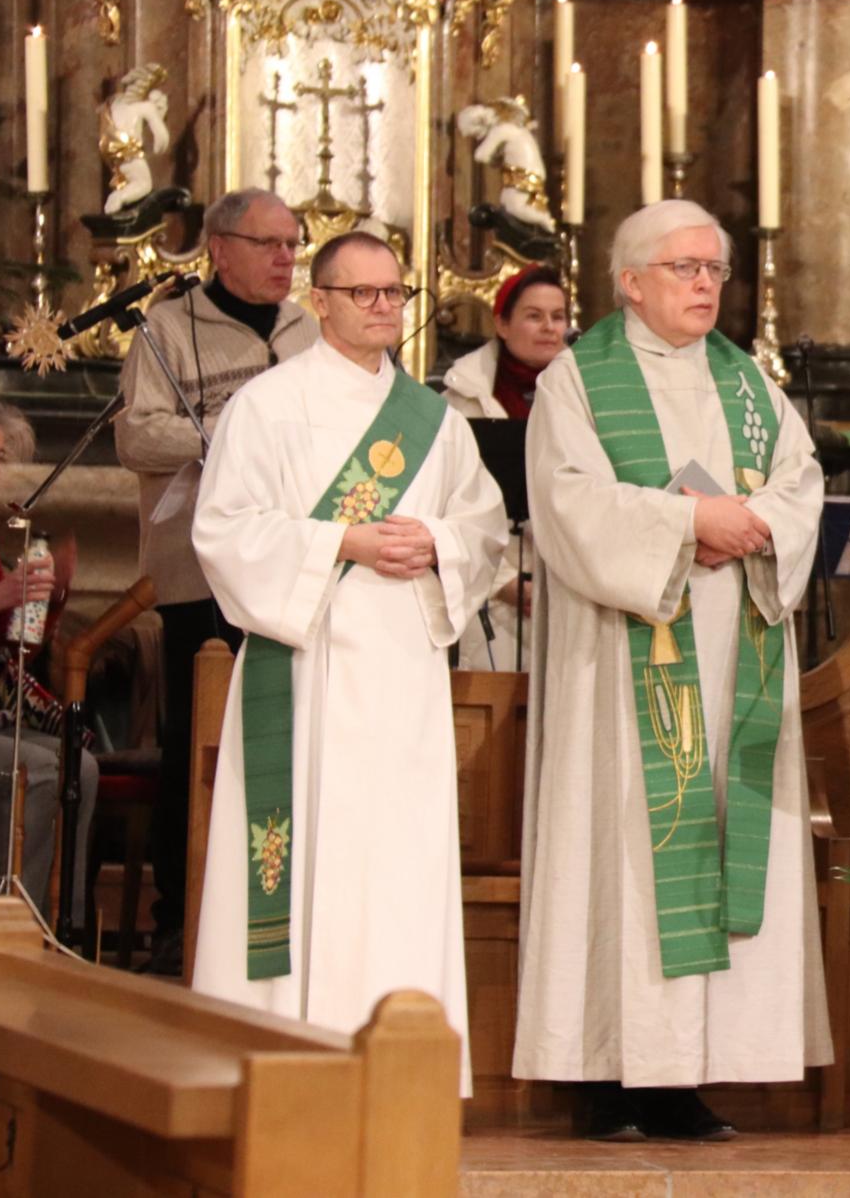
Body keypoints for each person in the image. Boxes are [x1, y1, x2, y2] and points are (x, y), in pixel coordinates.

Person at [514, 200, 830, 1142]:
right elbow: (568, 502)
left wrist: (761, 523)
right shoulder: (578, 379)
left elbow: (799, 479)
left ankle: (698, 1071)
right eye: (685, 268)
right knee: (620, 849)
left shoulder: (748, 385)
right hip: (627, 651)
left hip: (736, 648)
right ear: (631, 281)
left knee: (719, 840)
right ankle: (608, 1075)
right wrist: (692, 522)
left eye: (715, 271)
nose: (704, 285)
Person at [188, 230, 506, 1092]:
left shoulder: (435, 422)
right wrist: (342, 540)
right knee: (305, 857)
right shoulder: (268, 406)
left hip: (401, 675)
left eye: (393, 294)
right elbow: (222, 530)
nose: (381, 309)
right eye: (361, 293)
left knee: (396, 861)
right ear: (317, 300)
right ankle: (281, 1054)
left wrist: (435, 539)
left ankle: (399, 1067)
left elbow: (485, 530)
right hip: (305, 664)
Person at [115, 186, 320, 974]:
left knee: (285, 738)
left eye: (293, 245)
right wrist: (239, 432)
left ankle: (280, 913)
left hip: (295, 567)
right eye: (268, 243)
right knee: (192, 745)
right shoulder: (167, 328)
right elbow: (137, 435)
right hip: (199, 572)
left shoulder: (311, 329)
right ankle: (181, 918)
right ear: (219, 248)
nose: (284, 259)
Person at [0, 398, 100, 930]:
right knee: (38, 767)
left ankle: (60, 927)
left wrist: (44, 604)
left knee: (82, 764)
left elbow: (6, 652)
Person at [442, 266, 569, 670]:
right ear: (502, 323)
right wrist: (504, 581)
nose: (549, 328)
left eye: (558, 316)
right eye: (534, 315)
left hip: (566, 591)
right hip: (490, 598)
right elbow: (446, 503)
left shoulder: (586, 399)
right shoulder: (462, 403)